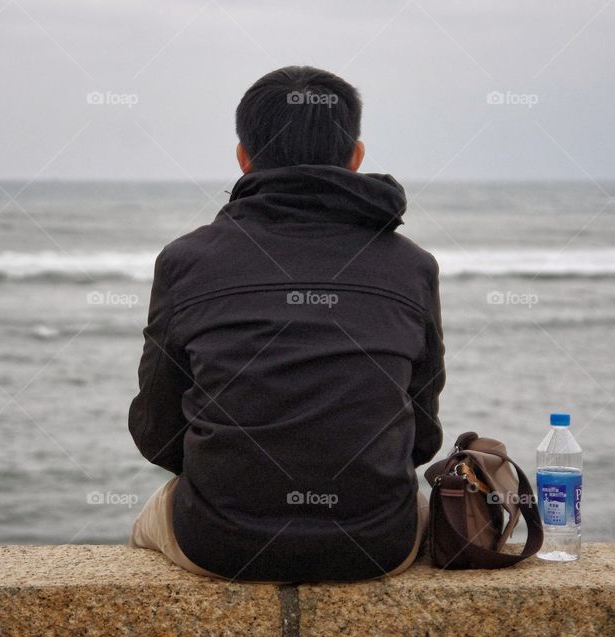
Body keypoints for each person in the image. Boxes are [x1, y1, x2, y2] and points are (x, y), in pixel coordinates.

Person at [127, 65, 445, 584]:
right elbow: (423, 433)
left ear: (243, 159)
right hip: (375, 544)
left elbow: (157, 432)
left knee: (144, 526)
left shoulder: (186, 260)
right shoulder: (411, 264)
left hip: (220, 541)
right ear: (356, 157)